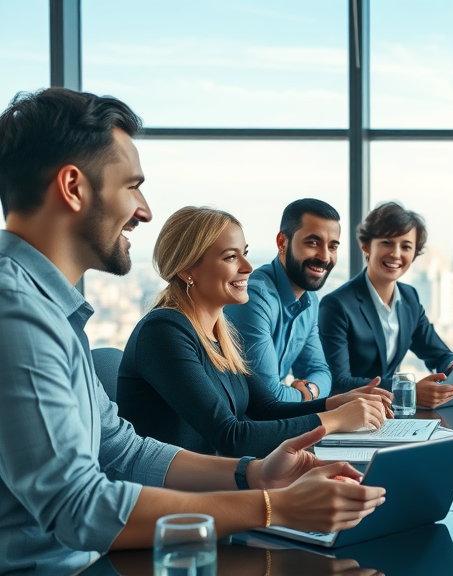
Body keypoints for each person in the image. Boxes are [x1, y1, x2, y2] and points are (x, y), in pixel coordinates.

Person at [0, 88, 384, 573]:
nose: (144, 210)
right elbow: (78, 507)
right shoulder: (16, 312)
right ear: (74, 187)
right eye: (132, 186)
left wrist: (256, 473)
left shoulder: (53, 309)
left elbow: (121, 449)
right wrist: (273, 506)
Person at [118, 206, 389, 458]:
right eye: (231, 257)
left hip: (215, 482)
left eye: (244, 254)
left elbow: (266, 409)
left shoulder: (220, 333)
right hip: (174, 498)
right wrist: (336, 419)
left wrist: (335, 404)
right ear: (188, 270)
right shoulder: (164, 333)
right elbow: (231, 436)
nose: (247, 268)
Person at [224, 198, 391, 410]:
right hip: (236, 429)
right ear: (282, 243)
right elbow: (267, 398)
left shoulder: (309, 300)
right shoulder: (255, 297)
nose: (325, 256)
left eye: (332, 246)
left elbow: (321, 372)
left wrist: (310, 390)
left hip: (273, 421)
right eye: (313, 243)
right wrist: (310, 396)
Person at [320, 201, 453, 409]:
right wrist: (407, 391)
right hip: (352, 414)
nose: (396, 254)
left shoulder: (409, 297)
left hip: (393, 416)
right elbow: (339, 382)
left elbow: (438, 353)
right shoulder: (336, 305)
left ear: (415, 253)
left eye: (406, 246)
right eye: (387, 242)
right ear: (366, 246)